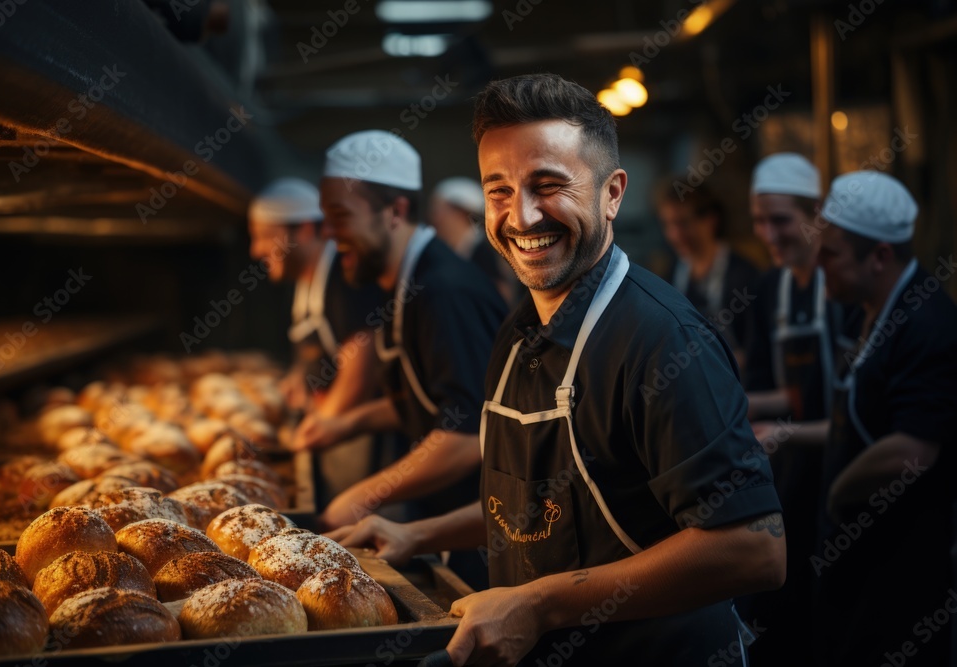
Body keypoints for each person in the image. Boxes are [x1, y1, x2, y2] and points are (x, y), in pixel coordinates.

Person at [329, 73, 786, 666]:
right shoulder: (519, 332)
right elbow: (548, 509)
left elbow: (755, 548)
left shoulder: (664, 341)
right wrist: (420, 533)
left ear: (613, 193)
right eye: (498, 190)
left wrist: (539, 605)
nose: (520, 216)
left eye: (548, 185)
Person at [292, 131, 507, 557]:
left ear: (396, 210)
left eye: (340, 216)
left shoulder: (444, 291)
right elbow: (425, 397)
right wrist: (346, 425)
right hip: (444, 513)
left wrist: (363, 495)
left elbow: (466, 437)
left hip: (489, 529)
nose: (329, 234)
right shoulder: (401, 283)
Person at [814, 171, 957, 666]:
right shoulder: (866, 310)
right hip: (858, 563)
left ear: (879, 257)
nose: (818, 265)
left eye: (830, 254)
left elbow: (913, 451)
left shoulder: (926, 324)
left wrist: (837, 492)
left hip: (902, 569)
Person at [738, 154, 859, 666]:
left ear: (816, 214)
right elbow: (783, 392)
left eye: (781, 220)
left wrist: (782, 431)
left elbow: (856, 405)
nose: (768, 234)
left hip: (847, 475)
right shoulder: (772, 289)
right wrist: (735, 404)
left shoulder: (850, 290)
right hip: (791, 483)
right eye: (759, 220)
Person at [247, 178, 385, 506]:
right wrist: (298, 382)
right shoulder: (306, 279)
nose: (256, 250)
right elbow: (317, 349)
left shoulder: (341, 276)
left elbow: (360, 367)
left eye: (266, 236)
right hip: (337, 436)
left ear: (306, 230)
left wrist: (319, 426)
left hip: (364, 442)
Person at [655, 178, 759, 368]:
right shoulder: (671, 276)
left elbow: (755, 351)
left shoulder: (743, 275)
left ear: (711, 220)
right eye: (668, 225)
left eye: (683, 223)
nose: (675, 235)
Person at [430, 176, 524, 308]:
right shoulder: (459, 251)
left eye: (438, 211)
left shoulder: (486, 250)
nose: (434, 219)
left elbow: (502, 295)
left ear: (460, 213)